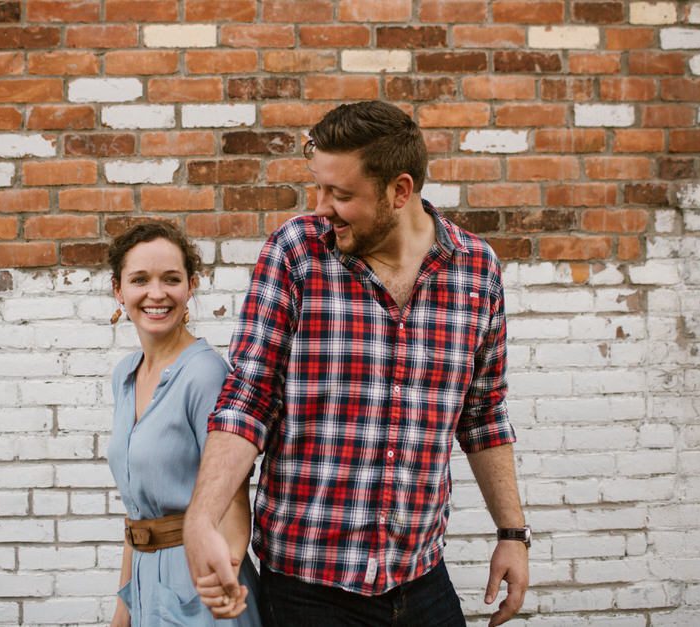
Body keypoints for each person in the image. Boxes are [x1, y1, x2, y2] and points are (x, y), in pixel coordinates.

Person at [183, 101, 530, 627]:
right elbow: (248, 397)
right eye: (319, 187)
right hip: (308, 589)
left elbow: (482, 414)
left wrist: (512, 533)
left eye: (341, 194)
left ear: (400, 191)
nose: (321, 207)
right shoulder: (296, 252)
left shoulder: (476, 270)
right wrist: (201, 517)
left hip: (421, 578)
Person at [106, 221, 262, 627]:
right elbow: (137, 514)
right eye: (140, 279)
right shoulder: (125, 375)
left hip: (197, 587)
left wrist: (222, 586)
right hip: (143, 586)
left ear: (191, 286)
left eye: (171, 279)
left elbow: (233, 492)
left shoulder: (205, 373)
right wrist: (123, 611)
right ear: (118, 290)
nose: (156, 293)